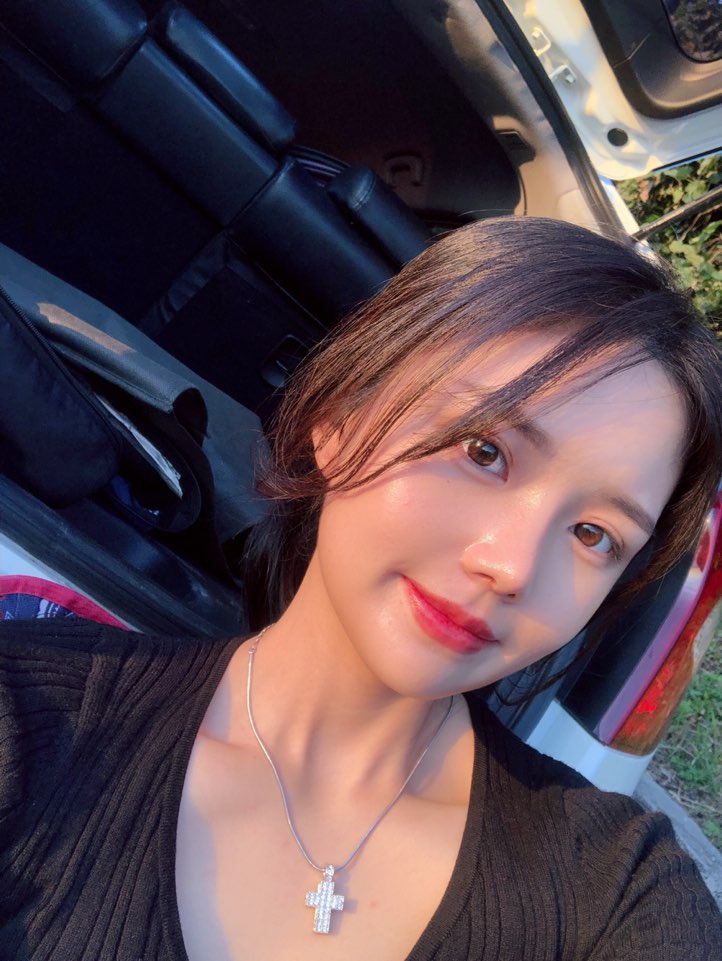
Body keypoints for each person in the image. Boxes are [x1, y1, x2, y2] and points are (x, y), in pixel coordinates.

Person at [1, 216, 722, 961]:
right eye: (484, 450)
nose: (511, 567)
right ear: (340, 414)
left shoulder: (616, 894)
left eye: (594, 534)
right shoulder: (26, 718)